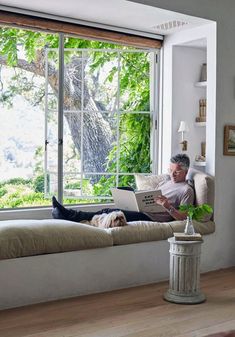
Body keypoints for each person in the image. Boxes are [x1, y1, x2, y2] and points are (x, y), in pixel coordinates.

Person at [52, 154, 194, 223]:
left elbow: (183, 218)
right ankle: (68, 214)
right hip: (144, 208)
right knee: (124, 190)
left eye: (176, 172)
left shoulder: (186, 190)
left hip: (150, 217)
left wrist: (168, 206)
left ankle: (69, 215)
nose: (172, 174)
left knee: (109, 211)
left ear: (186, 171)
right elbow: (153, 194)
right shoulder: (167, 181)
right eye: (170, 170)